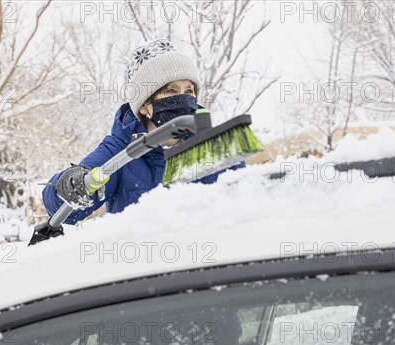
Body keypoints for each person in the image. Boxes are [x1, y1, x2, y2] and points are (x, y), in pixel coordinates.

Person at [42, 38, 244, 223]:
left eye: (189, 91)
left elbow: (247, 204)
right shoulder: (118, 150)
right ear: (144, 105)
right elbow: (62, 208)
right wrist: (69, 183)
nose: (183, 98)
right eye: (171, 91)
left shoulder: (216, 146)